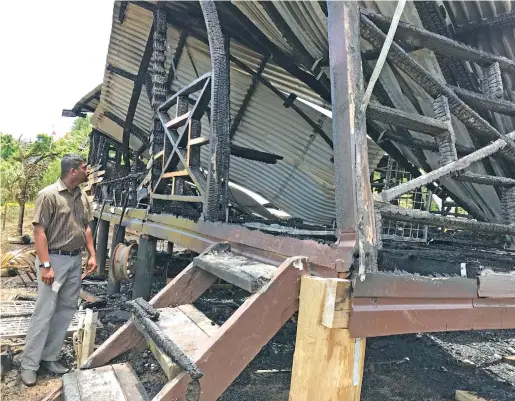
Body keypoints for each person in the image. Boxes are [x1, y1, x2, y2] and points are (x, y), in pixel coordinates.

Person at [20, 154, 98, 386]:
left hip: (74, 260)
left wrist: (92, 254)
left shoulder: (81, 195)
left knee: (65, 310)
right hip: (53, 260)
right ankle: (29, 365)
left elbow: (85, 228)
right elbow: (39, 232)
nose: (88, 171)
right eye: (85, 168)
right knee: (44, 313)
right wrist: (45, 265)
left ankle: (49, 358)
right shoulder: (49, 195)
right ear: (73, 171)